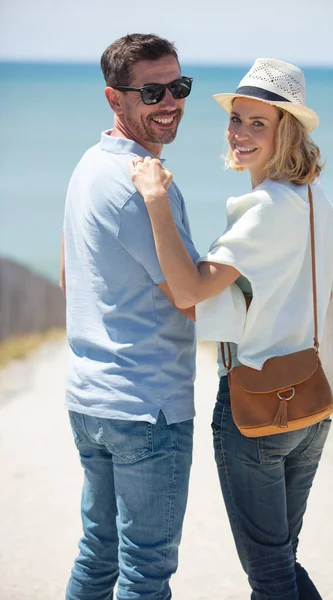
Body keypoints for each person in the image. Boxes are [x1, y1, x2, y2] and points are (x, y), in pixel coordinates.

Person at [129, 58, 333, 600]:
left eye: (257, 123)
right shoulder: (317, 201)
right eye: (236, 119)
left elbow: (191, 290)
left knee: (270, 575)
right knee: (282, 564)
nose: (239, 134)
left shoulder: (267, 209)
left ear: (284, 131)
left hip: (256, 409)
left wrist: (155, 200)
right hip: (308, 404)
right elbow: (256, 295)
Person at [61, 33, 199, 600]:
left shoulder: (89, 165)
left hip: (91, 399)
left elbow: (72, 279)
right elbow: (188, 295)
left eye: (178, 87)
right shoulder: (143, 187)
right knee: (145, 574)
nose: (169, 102)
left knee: (98, 556)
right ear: (115, 99)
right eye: (152, 91)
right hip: (148, 407)